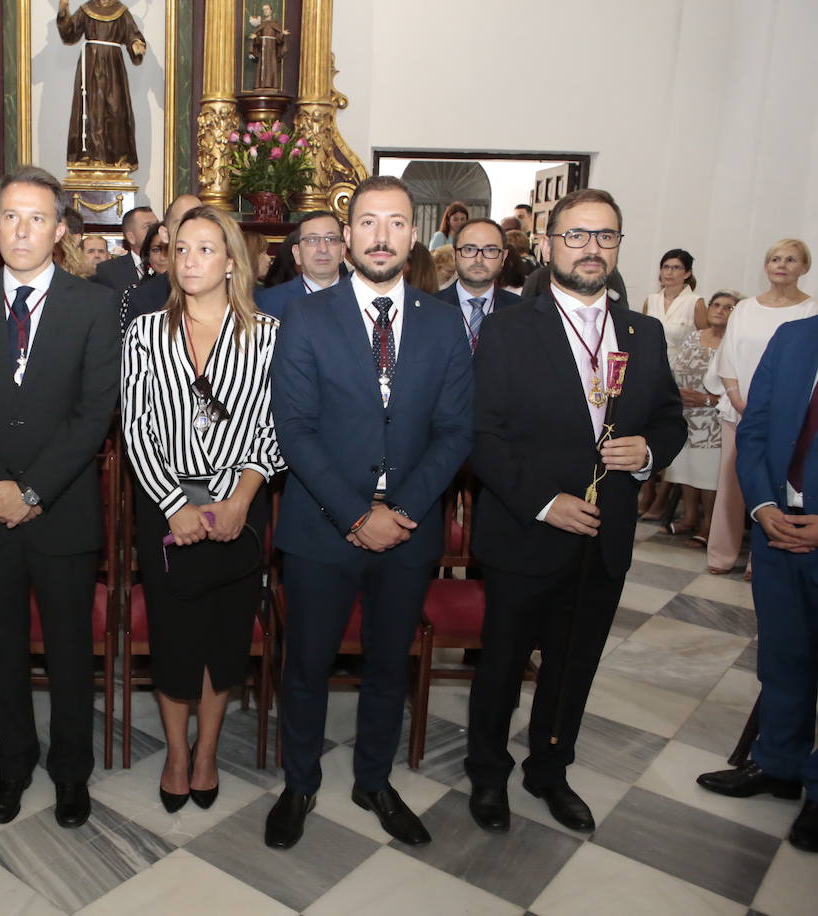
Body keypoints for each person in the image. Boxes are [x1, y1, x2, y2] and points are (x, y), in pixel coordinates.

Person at [464, 189, 685, 836]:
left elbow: (669, 417)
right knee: (503, 665)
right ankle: (488, 772)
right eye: (577, 235)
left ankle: (550, 770)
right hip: (525, 530)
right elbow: (482, 434)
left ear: (618, 246)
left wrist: (649, 452)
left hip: (604, 535)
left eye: (605, 236)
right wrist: (543, 501)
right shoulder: (508, 328)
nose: (592, 248)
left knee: (573, 665)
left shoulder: (643, 333)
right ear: (548, 245)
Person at [267, 175, 473, 849]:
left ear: (414, 235)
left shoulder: (443, 321)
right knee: (307, 665)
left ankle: (374, 780)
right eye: (368, 223)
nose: (381, 236)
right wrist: (358, 515)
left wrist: (402, 509)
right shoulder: (305, 318)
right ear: (347, 234)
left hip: (409, 529)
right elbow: (295, 429)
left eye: (395, 223)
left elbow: (456, 430)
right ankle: (300, 783)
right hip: (323, 526)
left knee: (389, 667)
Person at [0, 165, 120, 830]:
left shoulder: (93, 305)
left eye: (36, 218)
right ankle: (13, 764)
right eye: (10, 216)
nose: (20, 230)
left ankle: (71, 770)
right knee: (2, 649)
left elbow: (95, 413)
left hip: (61, 511)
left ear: (59, 229)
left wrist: (33, 490)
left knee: (69, 651)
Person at [122, 205, 284, 813]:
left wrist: (241, 498)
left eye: (205, 249)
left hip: (239, 506)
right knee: (174, 638)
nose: (189, 261)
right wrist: (173, 506)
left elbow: (274, 427)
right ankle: (175, 754)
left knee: (224, 638)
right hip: (165, 508)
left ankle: (208, 751)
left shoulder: (266, 334)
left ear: (232, 261)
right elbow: (135, 428)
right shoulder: (145, 332)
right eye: (180, 249)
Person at [695, 312, 818, 854]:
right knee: (783, 658)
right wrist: (763, 506)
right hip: (776, 528)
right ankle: (778, 764)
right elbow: (756, 427)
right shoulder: (795, 338)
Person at [707, 240, 816, 576]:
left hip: (789, 418)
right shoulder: (744, 308)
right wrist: (740, 401)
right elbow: (728, 357)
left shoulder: (810, 311)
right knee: (732, 486)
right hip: (739, 409)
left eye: (791, 259)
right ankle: (721, 554)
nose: (781, 265)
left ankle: (763, 557)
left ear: (804, 267)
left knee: (778, 485)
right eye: (775, 259)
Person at [661, 291, 736, 544]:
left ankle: (708, 525)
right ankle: (689, 517)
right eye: (716, 305)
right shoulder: (693, 336)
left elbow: (738, 384)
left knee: (708, 475)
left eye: (728, 307)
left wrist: (708, 400)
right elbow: (676, 368)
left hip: (714, 417)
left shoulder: (733, 343)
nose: (720, 310)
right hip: (686, 414)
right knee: (686, 469)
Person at [57, 0, 146, 167]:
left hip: (113, 67)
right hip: (91, 65)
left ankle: (117, 157)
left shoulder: (121, 12)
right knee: (92, 110)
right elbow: (70, 34)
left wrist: (136, 44)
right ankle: (91, 157)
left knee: (116, 109)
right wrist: (63, 13)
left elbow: (132, 34)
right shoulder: (86, 10)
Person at [434, 218, 522, 350]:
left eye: (490, 250)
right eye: (469, 249)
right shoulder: (429, 309)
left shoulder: (522, 313)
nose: (479, 259)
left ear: (503, 257)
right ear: (454, 255)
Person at [255, 210, 350, 319]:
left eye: (331, 239)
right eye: (312, 240)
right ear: (297, 253)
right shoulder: (268, 302)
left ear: (342, 251)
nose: (323, 249)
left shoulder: (360, 296)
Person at [125, 194, 203, 324]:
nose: (191, 229)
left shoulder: (232, 291)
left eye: (199, 222)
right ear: (165, 234)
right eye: (182, 223)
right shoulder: (143, 298)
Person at [94, 205, 156, 294]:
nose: (156, 231)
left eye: (157, 225)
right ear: (131, 237)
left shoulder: (170, 265)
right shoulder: (108, 271)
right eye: (148, 227)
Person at [119, 220, 168, 332]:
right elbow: (125, 335)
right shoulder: (135, 293)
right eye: (156, 250)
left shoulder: (190, 291)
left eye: (168, 249)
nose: (162, 257)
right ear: (148, 255)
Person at [247, 4, 288, 91]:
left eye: (267, 9)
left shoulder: (275, 23)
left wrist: (282, 34)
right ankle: (260, 85)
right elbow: (257, 38)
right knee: (261, 65)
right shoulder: (261, 24)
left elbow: (278, 40)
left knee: (272, 65)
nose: (265, 11)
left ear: (271, 11)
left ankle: (272, 84)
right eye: (264, 10)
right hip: (262, 49)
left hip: (271, 49)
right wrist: (255, 38)